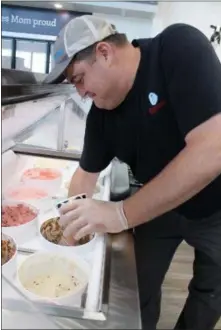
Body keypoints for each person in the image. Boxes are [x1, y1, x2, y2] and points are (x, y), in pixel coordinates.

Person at [44, 15, 221, 330]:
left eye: (79, 79)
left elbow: (212, 148)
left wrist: (121, 214)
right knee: (138, 292)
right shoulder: (102, 115)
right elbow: (85, 176)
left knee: (210, 292)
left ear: (104, 53)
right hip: (160, 208)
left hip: (217, 209)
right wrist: (72, 231)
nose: (81, 93)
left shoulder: (177, 48)